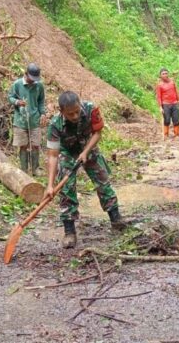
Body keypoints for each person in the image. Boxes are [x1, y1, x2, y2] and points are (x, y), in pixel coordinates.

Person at [45, 91, 124, 249]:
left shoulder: (91, 109)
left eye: (76, 111)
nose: (74, 116)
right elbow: (53, 156)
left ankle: (116, 220)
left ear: (79, 104)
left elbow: (97, 133)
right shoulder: (54, 125)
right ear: (62, 112)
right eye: (70, 114)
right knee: (66, 189)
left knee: (103, 182)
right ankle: (69, 231)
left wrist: (85, 152)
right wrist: (50, 185)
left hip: (88, 146)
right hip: (66, 152)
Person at [8, 63, 48, 175]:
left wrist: (43, 113)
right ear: (25, 74)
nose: (33, 81)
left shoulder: (39, 86)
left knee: (35, 145)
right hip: (20, 120)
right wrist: (17, 102)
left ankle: (35, 169)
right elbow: (10, 97)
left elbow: (41, 101)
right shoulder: (17, 84)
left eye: (35, 79)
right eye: (31, 78)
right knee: (23, 146)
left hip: (35, 120)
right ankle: (24, 170)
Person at [155, 68, 179, 138]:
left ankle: (176, 134)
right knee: (166, 120)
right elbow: (159, 97)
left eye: (166, 73)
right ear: (160, 76)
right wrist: (160, 107)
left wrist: (178, 100)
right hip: (165, 104)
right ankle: (166, 134)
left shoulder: (172, 82)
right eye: (163, 74)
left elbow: (176, 91)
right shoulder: (159, 85)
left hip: (175, 103)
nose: (165, 75)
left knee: (176, 119)